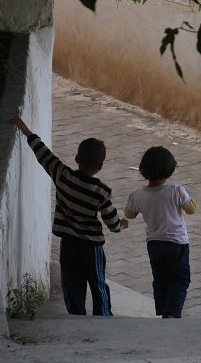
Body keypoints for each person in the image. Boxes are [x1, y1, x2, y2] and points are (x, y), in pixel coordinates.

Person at [12, 116, 128, 316]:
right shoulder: (101, 191)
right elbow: (111, 222)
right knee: (98, 282)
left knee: (72, 283)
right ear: (100, 166)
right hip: (91, 248)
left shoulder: (62, 175)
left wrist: (26, 130)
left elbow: (44, 155)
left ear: (76, 159)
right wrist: (122, 225)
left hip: (68, 244)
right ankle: (103, 316)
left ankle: (76, 315)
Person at [124, 146, 196, 318]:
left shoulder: (138, 195)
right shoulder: (176, 191)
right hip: (177, 243)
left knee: (160, 278)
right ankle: (172, 312)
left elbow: (129, 214)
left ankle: (163, 310)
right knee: (180, 279)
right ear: (168, 172)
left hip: (154, 244)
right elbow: (191, 209)